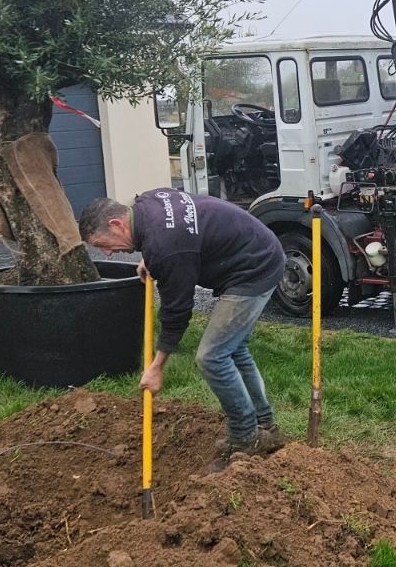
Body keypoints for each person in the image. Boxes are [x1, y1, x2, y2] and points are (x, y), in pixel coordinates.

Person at [78, 191, 287, 468]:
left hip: (255, 268)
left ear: (117, 225)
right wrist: (150, 258)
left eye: (101, 244)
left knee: (212, 356)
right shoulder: (147, 204)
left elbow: (177, 313)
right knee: (233, 348)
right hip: (256, 249)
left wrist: (156, 367)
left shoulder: (165, 247)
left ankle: (246, 438)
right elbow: (176, 234)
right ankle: (265, 425)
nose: (106, 252)